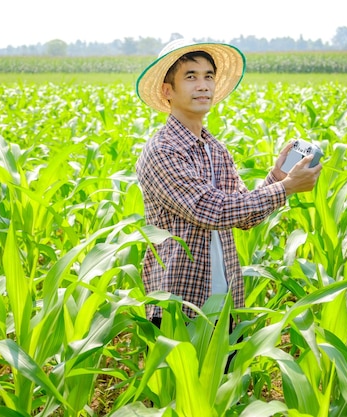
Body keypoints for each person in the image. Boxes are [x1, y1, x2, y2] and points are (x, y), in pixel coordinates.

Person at [135, 38, 321, 327]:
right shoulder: (162, 150)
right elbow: (211, 210)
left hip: (226, 307)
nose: (203, 85)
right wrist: (285, 188)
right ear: (167, 91)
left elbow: (243, 214)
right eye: (191, 77)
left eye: (209, 76)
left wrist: (278, 177)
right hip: (180, 307)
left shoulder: (216, 149)